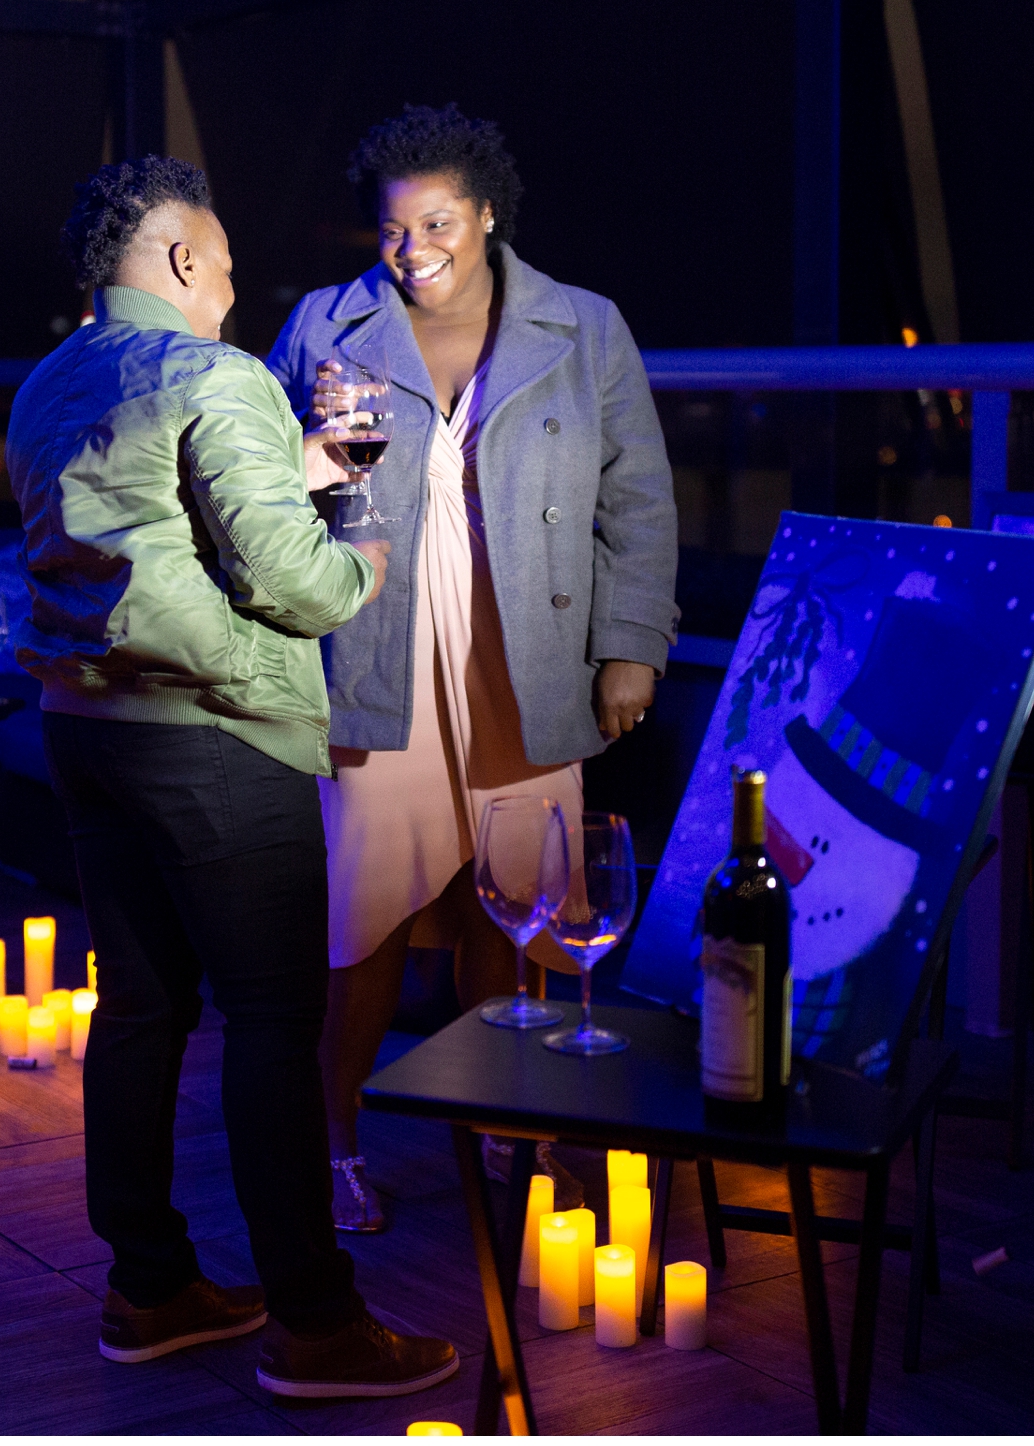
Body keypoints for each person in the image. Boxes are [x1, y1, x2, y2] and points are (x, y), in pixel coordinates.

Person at [9, 155, 460, 1399]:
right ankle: (317, 1323)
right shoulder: (216, 372)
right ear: (181, 261)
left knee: (140, 1008)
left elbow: (140, 519)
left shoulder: (48, 380)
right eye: (220, 265)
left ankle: (149, 1286)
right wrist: (361, 540)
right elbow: (294, 585)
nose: (233, 288)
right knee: (273, 1020)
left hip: (84, 727)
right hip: (215, 732)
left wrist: (295, 467)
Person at [270, 105, 679, 1231]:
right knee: (363, 928)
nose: (414, 251)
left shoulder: (585, 327)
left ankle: (513, 1125)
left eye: (438, 222)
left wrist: (630, 645)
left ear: (488, 213)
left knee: (525, 916)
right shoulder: (324, 323)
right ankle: (335, 1141)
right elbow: (260, 472)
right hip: (376, 661)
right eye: (394, 232)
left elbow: (638, 500)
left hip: (526, 660)